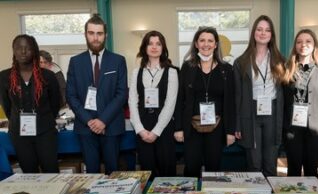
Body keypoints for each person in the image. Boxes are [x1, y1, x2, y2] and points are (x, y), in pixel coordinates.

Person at [66, 14, 128, 174]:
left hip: (111, 126)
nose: (95, 38)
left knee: (113, 172)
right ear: (85, 34)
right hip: (85, 128)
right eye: (91, 33)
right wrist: (89, 121)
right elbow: (71, 95)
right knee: (91, 173)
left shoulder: (118, 61)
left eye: (99, 33)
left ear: (105, 35)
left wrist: (102, 120)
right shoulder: (75, 62)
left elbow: (121, 94)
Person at [174, 26, 235, 178]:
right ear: (196, 44)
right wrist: (178, 128)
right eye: (202, 40)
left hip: (217, 128)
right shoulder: (187, 67)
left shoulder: (226, 70)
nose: (206, 44)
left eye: (210, 41)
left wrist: (230, 131)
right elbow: (180, 98)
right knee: (192, 167)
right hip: (192, 128)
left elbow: (230, 103)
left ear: (216, 44)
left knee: (213, 168)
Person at [233, 15, 286, 177]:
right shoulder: (241, 62)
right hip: (250, 114)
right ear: (254, 33)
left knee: (270, 164)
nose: (263, 33)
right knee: (254, 164)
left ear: (272, 35)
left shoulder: (281, 61)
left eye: (267, 30)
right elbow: (237, 96)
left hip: (273, 113)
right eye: (259, 29)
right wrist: (237, 125)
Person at [0, 34, 60, 173]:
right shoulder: (4, 77)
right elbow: (7, 106)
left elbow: (55, 103)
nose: (23, 51)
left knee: (51, 170)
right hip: (19, 134)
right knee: (29, 172)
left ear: (35, 51)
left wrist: (44, 118)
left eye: (27, 48)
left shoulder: (48, 76)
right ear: (13, 50)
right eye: (18, 48)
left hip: (45, 132)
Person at [283, 29, 318, 177]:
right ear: (295, 46)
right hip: (292, 130)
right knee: (293, 170)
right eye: (299, 42)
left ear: (314, 45)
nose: (303, 45)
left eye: (308, 41)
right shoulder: (286, 70)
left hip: (315, 130)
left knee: (312, 170)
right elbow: (282, 104)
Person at [129, 31, 178, 177]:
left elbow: (170, 104)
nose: (154, 47)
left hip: (164, 127)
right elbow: (132, 102)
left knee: (166, 171)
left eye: (158, 44)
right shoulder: (136, 72)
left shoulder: (172, 72)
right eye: (150, 43)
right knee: (147, 172)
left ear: (163, 48)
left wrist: (156, 131)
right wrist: (140, 129)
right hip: (143, 128)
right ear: (144, 47)